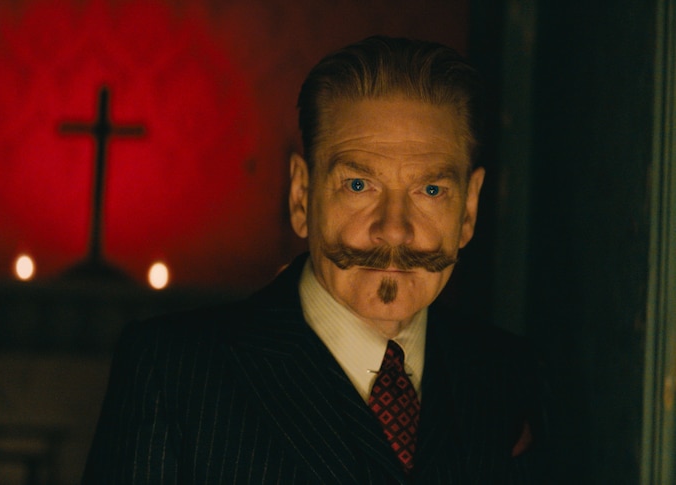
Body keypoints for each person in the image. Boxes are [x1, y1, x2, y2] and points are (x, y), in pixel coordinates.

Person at [82, 36, 547, 484]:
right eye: (358, 185)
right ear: (302, 196)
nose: (393, 228)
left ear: (467, 210)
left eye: (430, 190)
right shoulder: (174, 373)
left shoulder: (506, 374)